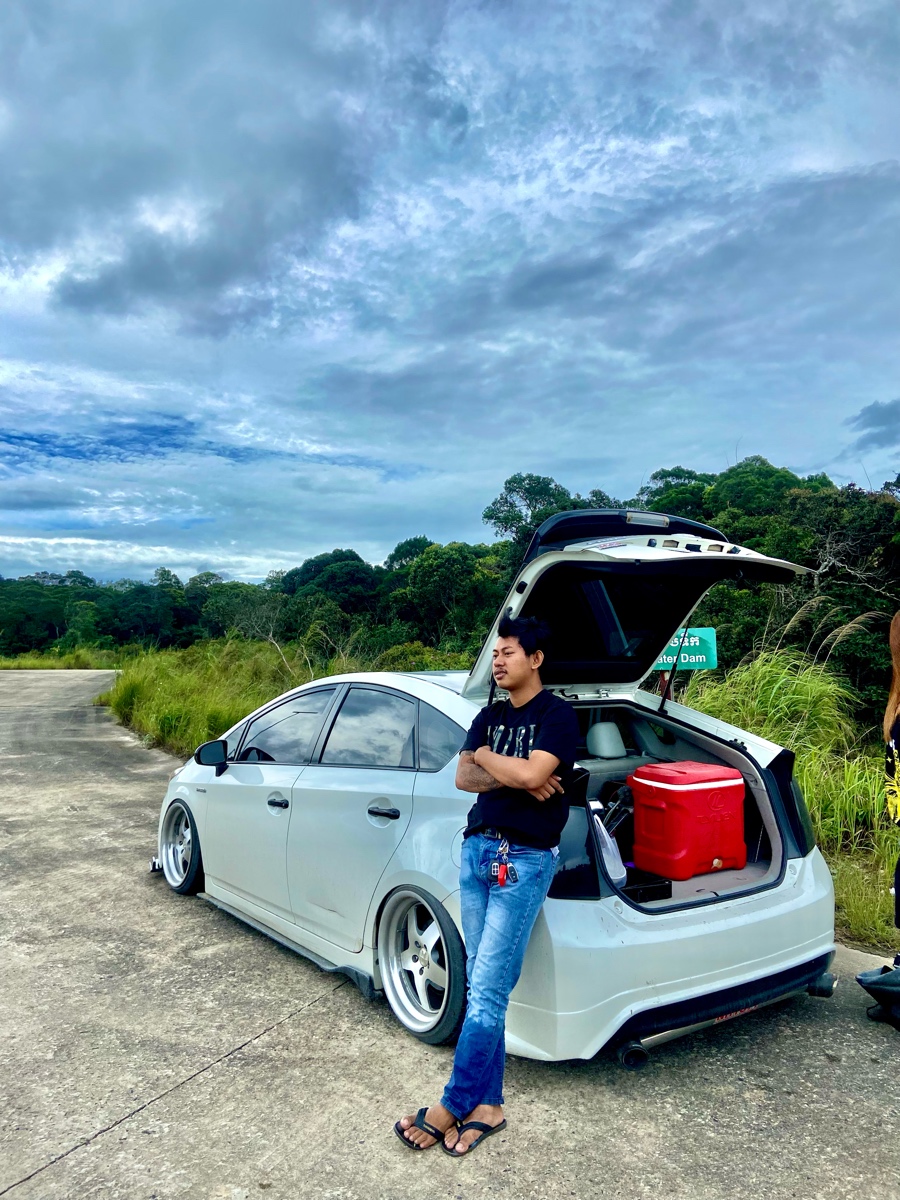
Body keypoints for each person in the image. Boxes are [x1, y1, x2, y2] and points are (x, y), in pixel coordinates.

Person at [394, 615, 579, 1157]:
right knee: (482, 987)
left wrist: (491, 760)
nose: (497, 662)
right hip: (477, 853)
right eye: (495, 654)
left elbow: (524, 775)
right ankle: (489, 1106)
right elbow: (463, 777)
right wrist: (514, 772)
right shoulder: (489, 715)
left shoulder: (557, 716)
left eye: (508, 653)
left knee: (489, 990)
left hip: (523, 860)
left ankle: (452, 1103)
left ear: (535, 659)